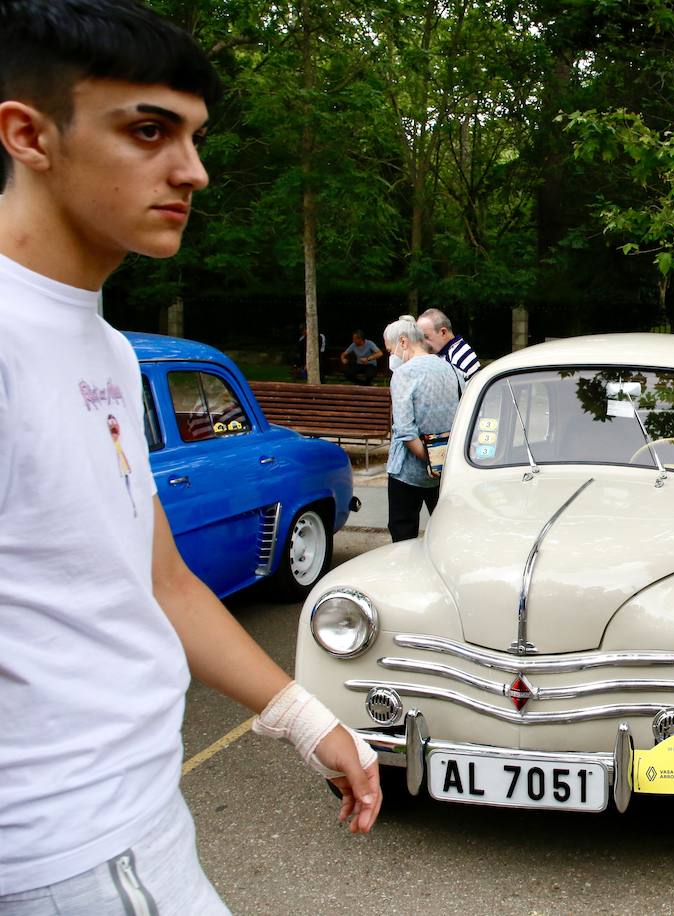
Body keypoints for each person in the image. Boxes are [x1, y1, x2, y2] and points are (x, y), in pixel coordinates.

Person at [0, 2, 379, 910]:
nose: (194, 171)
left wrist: (308, 720)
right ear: (28, 135)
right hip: (66, 852)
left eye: (196, 136)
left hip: (142, 818)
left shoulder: (108, 351)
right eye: (148, 131)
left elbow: (160, 580)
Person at [384, 315, 461, 542]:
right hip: (445, 469)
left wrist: (429, 460)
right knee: (445, 534)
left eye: (391, 350)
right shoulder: (451, 370)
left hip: (408, 472)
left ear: (404, 342)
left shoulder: (403, 375)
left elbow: (406, 431)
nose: (392, 356)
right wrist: (440, 463)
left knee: (403, 534)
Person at [417, 307, 480, 390]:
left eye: (426, 337)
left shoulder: (458, 359)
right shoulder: (452, 352)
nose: (423, 343)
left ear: (443, 332)